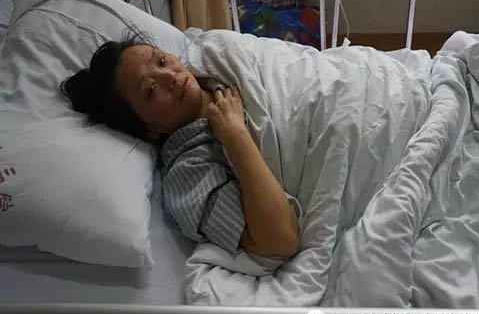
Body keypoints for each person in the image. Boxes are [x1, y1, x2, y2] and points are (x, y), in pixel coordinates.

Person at [61, 31, 300, 258]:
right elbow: (279, 241)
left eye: (162, 61)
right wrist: (235, 135)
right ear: (148, 130)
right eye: (151, 90)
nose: (169, 76)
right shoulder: (188, 175)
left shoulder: (213, 59)